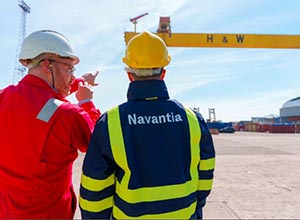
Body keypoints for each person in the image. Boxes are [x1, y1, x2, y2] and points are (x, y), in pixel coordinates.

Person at [79, 31, 215, 219]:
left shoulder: (110, 122)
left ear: (129, 75)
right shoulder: (192, 118)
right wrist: (194, 209)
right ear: (163, 73)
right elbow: (205, 172)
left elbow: (94, 188)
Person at [0, 30, 101, 219]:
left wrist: (79, 82)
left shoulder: (3, 98)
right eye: (70, 69)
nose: (72, 76)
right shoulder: (68, 114)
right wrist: (87, 102)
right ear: (48, 65)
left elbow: (40, 97)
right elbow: (101, 142)